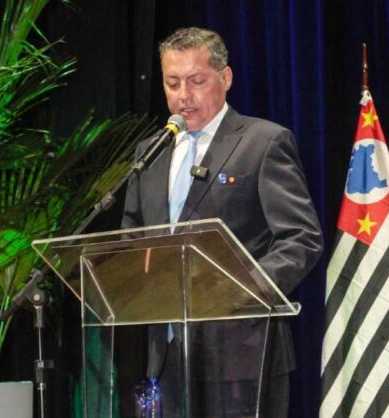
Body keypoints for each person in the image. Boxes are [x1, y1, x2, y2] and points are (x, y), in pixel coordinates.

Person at [121, 27, 323, 417]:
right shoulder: (150, 152)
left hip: (242, 356)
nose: (183, 95)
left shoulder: (263, 142)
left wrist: (239, 290)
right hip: (166, 357)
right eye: (172, 83)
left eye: (196, 81)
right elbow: (133, 238)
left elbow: (301, 238)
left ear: (225, 78)